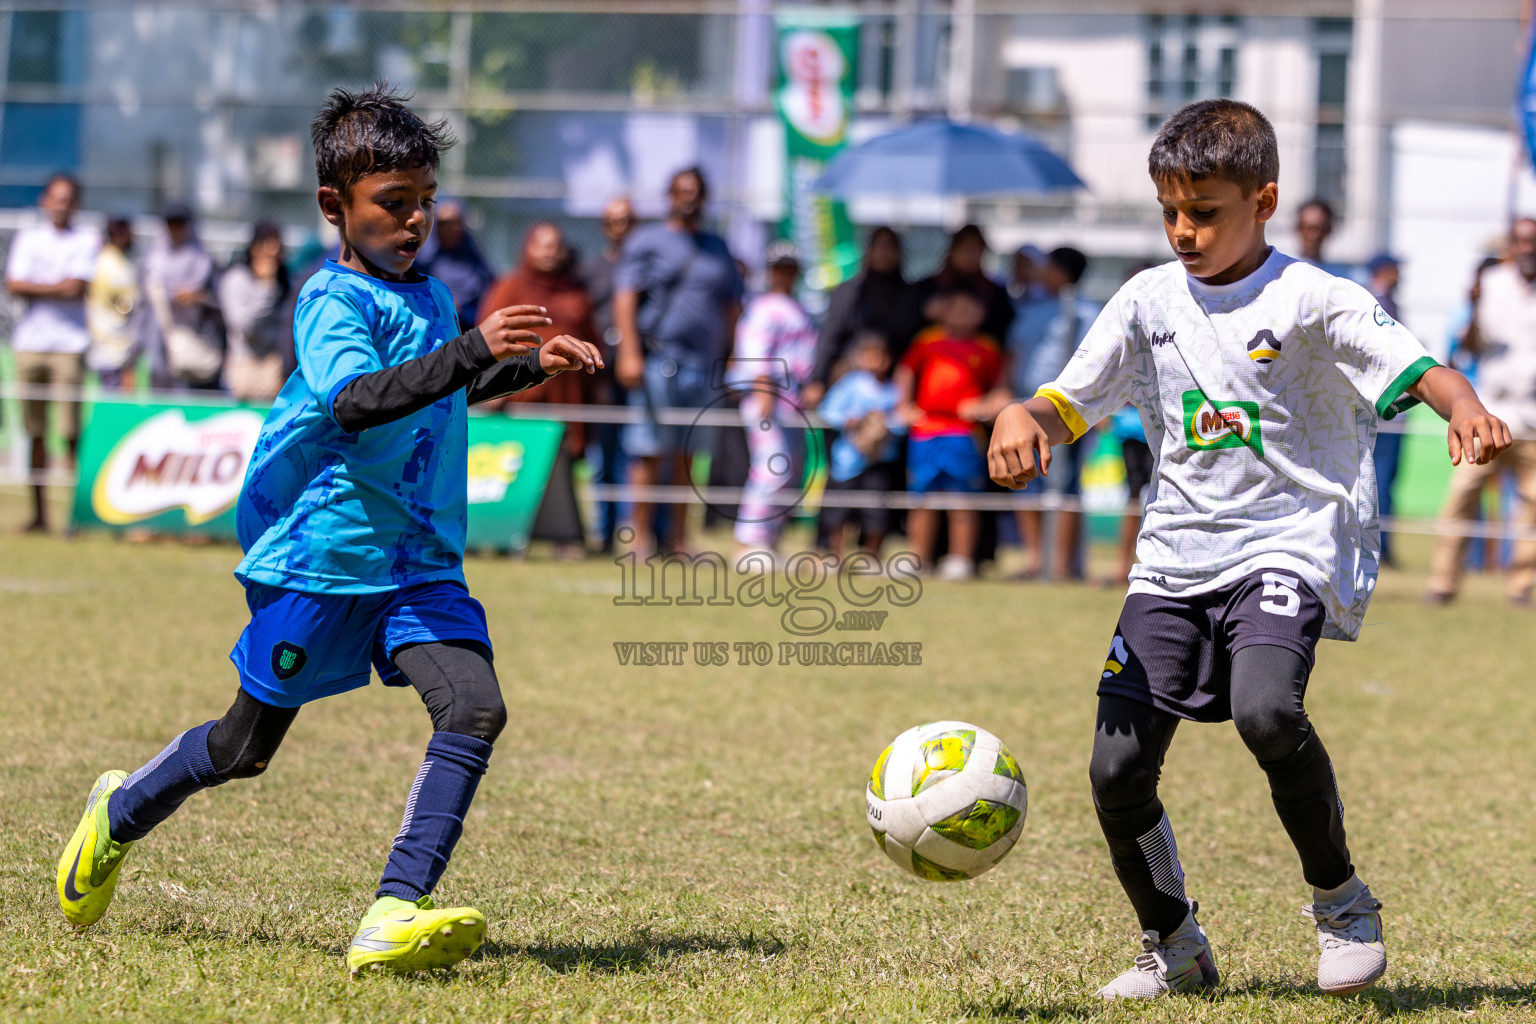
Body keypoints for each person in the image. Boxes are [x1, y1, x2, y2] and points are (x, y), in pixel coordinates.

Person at [54, 85, 603, 976]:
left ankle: (394, 909)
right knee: (242, 749)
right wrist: (474, 350)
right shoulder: (330, 300)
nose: (415, 219)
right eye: (393, 202)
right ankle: (116, 814)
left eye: (425, 200)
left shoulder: (426, 295)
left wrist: (523, 367)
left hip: (418, 562)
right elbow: (357, 400)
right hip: (325, 558)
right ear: (332, 206)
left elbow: (435, 392)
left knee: (474, 706)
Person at [987, 98, 1509, 1000]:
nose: (1184, 231)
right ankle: (1173, 940)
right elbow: (1067, 402)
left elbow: (1420, 369)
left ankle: (1342, 901)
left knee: (1266, 712)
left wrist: (1462, 408)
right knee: (1114, 767)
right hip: (1174, 560)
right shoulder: (1146, 301)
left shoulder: (1314, 298)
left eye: (1205, 211)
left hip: (1289, 545)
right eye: (1170, 212)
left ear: (1263, 200)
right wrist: (1018, 416)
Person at [613, 166, 744, 555]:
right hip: (657, 361)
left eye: (696, 191)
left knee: (690, 455)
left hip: (701, 366)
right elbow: (625, 297)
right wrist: (630, 353)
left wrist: (734, 358)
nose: (689, 197)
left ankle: (678, 539)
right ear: (670, 195)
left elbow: (733, 305)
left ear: (705, 198)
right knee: (650, 452)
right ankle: (639, 538)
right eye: (681, 191)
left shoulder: (718, 247)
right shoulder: (647, 241)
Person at [1426, 219, 1536, 607]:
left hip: (1533, 414)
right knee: (1462, 495)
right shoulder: (1490, 283)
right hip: (1490, 411)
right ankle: (1443, 583)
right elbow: (1468, 348)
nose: (1527, 247)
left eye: (1532, 241)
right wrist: (1473, 305)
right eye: (1521, 241)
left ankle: (1520, 588)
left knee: (1532, 506)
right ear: (1512, 245)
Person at [479, 221, 598, 559]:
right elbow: (486, 339)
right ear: (527, 248)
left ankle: (565, 538)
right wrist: (495, 390)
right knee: (517, 466)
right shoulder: (510, 287)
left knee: (563, 471)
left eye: (555, 245)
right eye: (541, 244)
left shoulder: (575, 291)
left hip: (565, 398)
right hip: (520, 397)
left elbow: (591, 336)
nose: (549, 252)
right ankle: (503, 535)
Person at [4, 173, 100, 533]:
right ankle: (40, 516)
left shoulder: (88, 238)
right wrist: (55, 286)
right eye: (54, 198)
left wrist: (38, 286)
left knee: (71, 433)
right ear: (45, 200)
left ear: (75, 203)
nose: (60, 205)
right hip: (30, 345)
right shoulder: (29, 238)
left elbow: (77, 287)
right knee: (35, 433)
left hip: (69, 347)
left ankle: (76, 515)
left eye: (67, 199)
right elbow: (14, 283)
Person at [896, 285, 1008, 581]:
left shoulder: (987, 348)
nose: (963, 315)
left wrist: (987, 406)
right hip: (925, 431)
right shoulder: (927, 341)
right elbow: (905, 371)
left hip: (964, 434)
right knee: (922, 498)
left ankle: (961, 560)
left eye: (969, 309)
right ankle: (917, 558)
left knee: (963, 498)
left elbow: (1001, 388)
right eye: (956, 308)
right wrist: (904, 406)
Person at [1007, 246, 1099, 580]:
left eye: (1047, 267)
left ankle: (1060, 565)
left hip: (1067, 410)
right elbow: (1014, 353)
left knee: (1065, 485)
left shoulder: (1086, 312)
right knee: (1026, 479)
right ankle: (1035, 560)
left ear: (1062, 272)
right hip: (1025, 403)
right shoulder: (1030, 309)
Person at [729, 242, 818, 555]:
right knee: (769, 468)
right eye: (780, 268)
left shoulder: (801, 309)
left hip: (794, 403)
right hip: (768, 397)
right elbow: (755, 353)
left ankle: (770, 538)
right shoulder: (762, 308)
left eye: (790, 268)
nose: (785, 275)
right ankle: (749, 542)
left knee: (791, 471)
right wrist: (764, 390)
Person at [578, 196, 635, 554]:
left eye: (628, 220)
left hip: (639, 375)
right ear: (605, 226)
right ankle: (603, 534)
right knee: (603, 457)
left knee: (637, 455)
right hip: (601, 375)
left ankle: (638, 534)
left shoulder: (648, 268)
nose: (621, 227)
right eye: (614, 220)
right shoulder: (592, 270)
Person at [811, 226, 921, 401]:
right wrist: (817, 379)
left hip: (894, 386)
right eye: (879, 246)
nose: (884, 253)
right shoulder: (849, 292)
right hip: (850, 380)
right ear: (869, 251)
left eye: (889, 247)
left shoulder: (911, 295)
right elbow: (830, 338)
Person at [817, 333, 903, 557]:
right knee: (838, 512)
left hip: (879, 461)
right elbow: (827, 411)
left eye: (880, 356)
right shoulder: (849, 385)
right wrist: (849, 420)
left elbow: (901, 421)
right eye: (869, 356)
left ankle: (870, 557)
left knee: (875, 512)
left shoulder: (893, 390)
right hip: (847, 461)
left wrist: (886, 423)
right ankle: (834, 555)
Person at [140, 203, 224, 391]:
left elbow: (221, 302)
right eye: (172, 224)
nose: (176, 229)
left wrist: (198, 297)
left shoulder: (204, 262)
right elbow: (143, 307)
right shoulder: (153, 262)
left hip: (196, 342)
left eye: (180, 224)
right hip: (160, 339)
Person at [217, 222, 292, 402]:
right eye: (265, 246)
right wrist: (265, 287)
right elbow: (244, 327)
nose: (271, 253)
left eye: (276, 247)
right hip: (243, 367)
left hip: (273, 370)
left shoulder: (284, 282)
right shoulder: (236, 279)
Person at [912, 224, 1015, 345]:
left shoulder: (995, 292)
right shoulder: (927, 288)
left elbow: (1004, 332)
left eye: (975, 250)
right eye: (965, 249)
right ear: (952, 250)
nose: (970, 256)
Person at [1365, 253, 1404, 567]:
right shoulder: (1380, 306)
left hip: (1376, 409)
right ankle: (1379, 547)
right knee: (1380, 480)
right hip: (1383, 410)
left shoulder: (1375, 300)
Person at [415, 198, 495, 332]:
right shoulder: (420, 263)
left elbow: (489, 297)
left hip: (470, 332)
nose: (451, 228)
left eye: (456, 222)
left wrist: (463, 311)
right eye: (444, 223)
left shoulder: (474, 259)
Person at [86, 216, 141, 392]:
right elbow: (129, 303)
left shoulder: (107, 259)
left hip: (109, 342)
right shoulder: (112, 264)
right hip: (112, 343)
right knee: (114, 399)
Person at [1295, 197, 1353, 279]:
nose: (1314, 235)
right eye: (1308, 228)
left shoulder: (1339, 275)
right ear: (1298, 228)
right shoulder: (1282, 269)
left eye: (1321, 229)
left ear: (1329, 230)